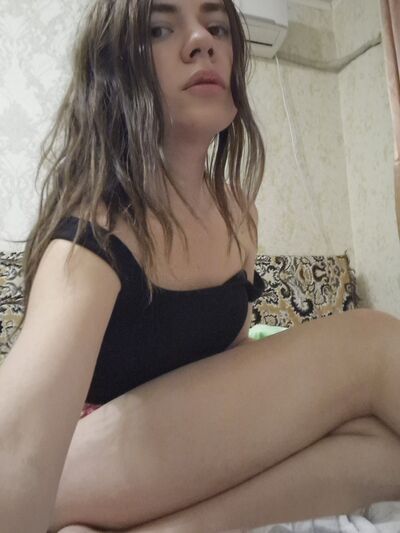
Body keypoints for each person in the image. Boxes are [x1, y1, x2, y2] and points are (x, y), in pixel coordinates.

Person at [1, 0, 400, 532]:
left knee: (382, 454)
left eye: (216, 27)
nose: (201, 42)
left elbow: (232, 362)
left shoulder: (239, 212)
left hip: (181, 464)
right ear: (114, 69)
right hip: (89, 460)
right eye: (160, 30)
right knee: (372, 343)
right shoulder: (96, 230)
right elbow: (19, 444)